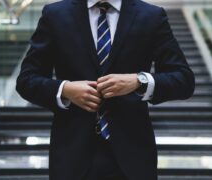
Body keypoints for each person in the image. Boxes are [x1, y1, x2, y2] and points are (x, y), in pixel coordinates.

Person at [16, 0, 195, 179]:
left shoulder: (151, 16)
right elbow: (26, 80)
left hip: (133, 156)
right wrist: (65, 89)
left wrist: (139, 81)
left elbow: (184, 79)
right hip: (71, 155)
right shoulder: (55, 14)